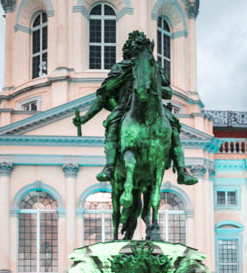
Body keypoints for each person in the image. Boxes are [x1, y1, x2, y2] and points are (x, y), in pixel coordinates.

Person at [73, 31, 197, 186]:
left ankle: (182, 170)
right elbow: (104, 94)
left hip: (153, 106)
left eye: (141, 47)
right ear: (128, 51)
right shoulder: (120, 68)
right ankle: (109, 167)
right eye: (134, 47)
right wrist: (85, 118)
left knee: (173, 126)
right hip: (126, 106)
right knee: (112, 122)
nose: (138, 51)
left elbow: (168, 92)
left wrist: (155, 87)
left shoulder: (154, 67)